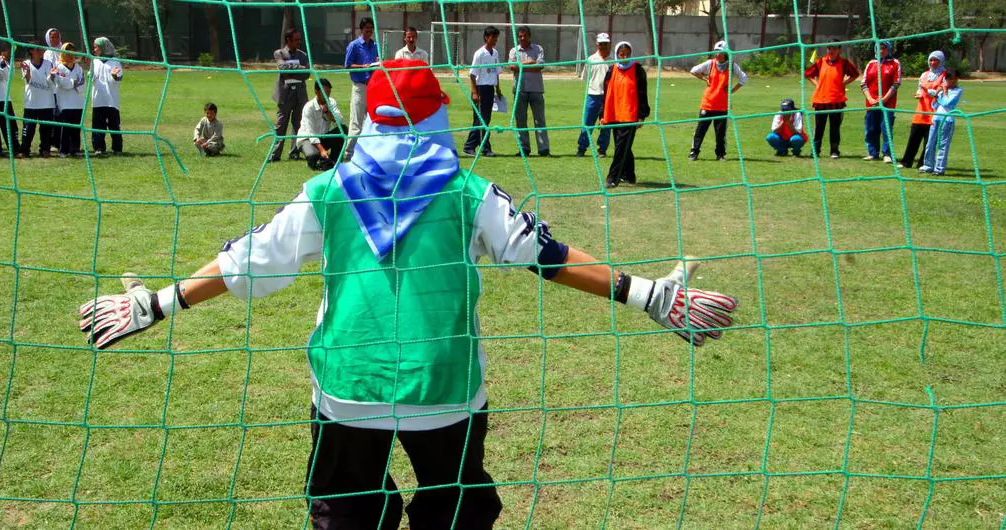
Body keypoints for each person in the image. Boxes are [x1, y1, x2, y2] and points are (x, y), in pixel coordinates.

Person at [77, 58, 738, 529]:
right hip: (445, 389)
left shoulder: (326, 190)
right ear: (434, 119)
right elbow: (546, 255)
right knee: (456, 507)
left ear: (370, 117)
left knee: (343, 511)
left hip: (346, 388)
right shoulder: (468, 192)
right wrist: (647, 294)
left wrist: (153, 303)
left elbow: (245, 264)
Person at [600, 41, 649, 187]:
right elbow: (606, 93)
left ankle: (612, 177)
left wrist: (642, 115)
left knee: (621, 147)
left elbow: (642, 93)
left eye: (627, 54)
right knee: (622, 146)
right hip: (614, 113)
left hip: (630, 115)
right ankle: (629, 175)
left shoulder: (637, 70)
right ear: (616, 54)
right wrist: (602, 114)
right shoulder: (611, 70)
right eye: (622, 54)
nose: (625, 57)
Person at [688, 40, 746, 162]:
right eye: (715, 52)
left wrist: (731, 91)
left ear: (725, 53)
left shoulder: (732, 66)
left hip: (722, 106)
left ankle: (720, 155)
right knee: (700, 130)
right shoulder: (710, 63)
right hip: (707, 103)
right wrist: (704, 78)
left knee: (720, 133)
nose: (717, 55)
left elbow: (743, 78)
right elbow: (693, 70)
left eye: (719, 52)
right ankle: (694, 153)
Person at [804, 40, 859, 159]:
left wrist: (844, 83)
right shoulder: (821, 61)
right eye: (829, 48)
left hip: (836, 100)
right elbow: (808, 74)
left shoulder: (844, 63)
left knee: (835, 127)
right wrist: (817, 84)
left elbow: (855, 74)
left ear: (839, 50)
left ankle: (834, 151)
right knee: (819, 127)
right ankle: (815, 150)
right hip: (820, 100)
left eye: (834, 48)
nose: (831, 51)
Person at [899, 51, 947, 169]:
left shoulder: (945, 75)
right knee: (913, 139)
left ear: (941, 61)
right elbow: (920, 89)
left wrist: (932, 92)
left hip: (934, 113)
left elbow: (942, 92)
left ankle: (924, 163)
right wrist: (919, 94)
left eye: (936, 60)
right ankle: (906, 162)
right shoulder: (924, 74)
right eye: (931, 60)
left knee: (929, 141)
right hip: (921, 111)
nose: (933, 62)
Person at [269, 28, 309, 163]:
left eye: (300, 39)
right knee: (280, 125)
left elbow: (307, 73)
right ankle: (275, 154)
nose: (299, 42)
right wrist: (300, 69)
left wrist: (293, 70)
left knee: (298, 124)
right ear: (288, 40)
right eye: (296, 40)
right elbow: (283, 69)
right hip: (285, 94)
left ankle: (294, 152)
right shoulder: (279, 53)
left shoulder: (303, 55)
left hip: (300, 94)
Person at [508, 26, 550, 157]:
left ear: (529, 36)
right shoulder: (514, 50)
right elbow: (512, 67)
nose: (522, 38)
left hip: (536, 90)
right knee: (520, 121)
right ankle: (524, 149)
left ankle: (543, 149)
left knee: (540, 120)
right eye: (520, 36)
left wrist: (522, 65)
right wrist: (530, 62)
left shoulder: (538, 48)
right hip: (519, 89)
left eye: (524, 35)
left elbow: (539, 66)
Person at [463, 26, 501, 157]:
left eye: (496, 37)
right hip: (480, 88)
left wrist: (498, 89)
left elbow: (496, 72)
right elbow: (472, 74)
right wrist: (475, 92)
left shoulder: (495, 53)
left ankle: (483, 147)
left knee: (486, 119)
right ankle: (471, 146)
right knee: (480, 119)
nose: (495, 40)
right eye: (493, 37)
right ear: (486, 37)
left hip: (490, 89)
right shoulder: (479, 53)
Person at [343, 17, 378, 160]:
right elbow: (347, 65)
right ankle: (349, 153)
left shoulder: (375, 45)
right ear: (361, 29)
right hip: (359, 87)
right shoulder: (354, 45)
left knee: (371, 121)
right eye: (367, 28)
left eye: (371, 28)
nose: (369, 30)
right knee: (356, 122)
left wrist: (376, 63)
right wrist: (362, 67)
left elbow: (375, 61)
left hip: (372, 87)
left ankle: (367, 153)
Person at [860, 40, 901, 163]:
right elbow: (863, 83)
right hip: (871, 103)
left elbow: (896, 84)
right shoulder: (871, 64)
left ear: (888, 49)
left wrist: (884, 99)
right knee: (871, 128)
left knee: (886, 128)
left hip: (887, 104)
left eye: (884, 48)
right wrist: (870, 99)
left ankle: (887, 154)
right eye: (879, 48)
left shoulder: (895, 63)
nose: (881, 50)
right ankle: (873, 152)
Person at [296, 78, 346, 171]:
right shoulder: (309, 107)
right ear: (316, 91)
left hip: (323, 137)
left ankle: (334, 161)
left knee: (343, 130)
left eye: (329, 92)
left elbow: (339, 121)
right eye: (325, 92)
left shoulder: (331, 102)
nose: (327, 95)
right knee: (313, 155)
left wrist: (327, 111)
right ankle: (315, 161)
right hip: (307, 139)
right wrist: (322, 150)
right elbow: (311, 134)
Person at [920, 71, 962, 175]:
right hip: (936, 118)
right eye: (948, 79)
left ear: (957, 79)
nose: (950, 81)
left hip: (947, 120)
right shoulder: (941, 90)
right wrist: (935, 95)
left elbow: (947, 102)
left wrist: (944, 90)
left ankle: (939, 169)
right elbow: (934, 105)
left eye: (953, 79)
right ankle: (928, 165)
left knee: (943, 144)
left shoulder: (958, 90)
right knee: (930, 143)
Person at [577, 32, 612, 158]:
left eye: (605, 44)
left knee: (606, 124)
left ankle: (602, 150)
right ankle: (581, 149)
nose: (603, 46)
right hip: (592, 96)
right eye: (601, 44)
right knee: (587, 123)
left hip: (608, 97)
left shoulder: (614, 59)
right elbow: (585, 78)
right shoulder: (591, 59)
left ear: (609, 44)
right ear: (597, 44)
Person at [19, 40, 55, 157]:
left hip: (47, 102)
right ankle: (24, 150)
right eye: (37, 49)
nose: (40, 51)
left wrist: (53, 76)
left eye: (41, 48)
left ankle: (45, 149)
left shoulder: (48, 63)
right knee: (28, 128)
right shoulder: (26, 63)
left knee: (46, 129)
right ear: (31, 51)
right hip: (31, 102)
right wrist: (28, 72)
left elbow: (50, 82)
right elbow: (28, 80)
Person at [91, 36, 124, 155]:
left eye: (96, 47)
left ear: (103, 48)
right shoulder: (94, 61)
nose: (94, 50)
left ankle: (117, 148)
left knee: (114, 125)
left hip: (111, 100)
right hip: (98, 100)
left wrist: (115, 75)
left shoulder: (115, 61)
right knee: (97, 125)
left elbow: (118, 78)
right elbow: (92, 77)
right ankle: (99, 148)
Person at [53, 42, 85, 157]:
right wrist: (73, 82)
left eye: (72, 52)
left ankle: (75, 149)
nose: (71, 55)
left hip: (78, 103)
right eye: (68, 52)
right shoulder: (59, 67)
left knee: (76, 128)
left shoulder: (79, 68)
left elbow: (82, 85)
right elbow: (62, 83)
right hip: (64, 103)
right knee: (65, 128)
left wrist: (70, 82)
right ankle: (63, 150)